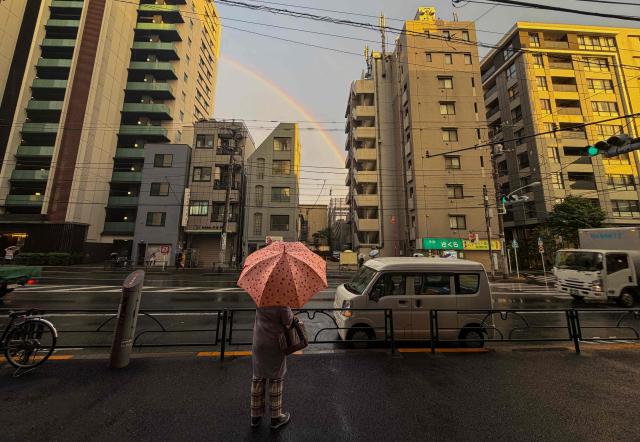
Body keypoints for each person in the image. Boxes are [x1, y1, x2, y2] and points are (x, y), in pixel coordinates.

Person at [251, 306, 293, 430]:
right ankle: (276, 418)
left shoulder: (261, 299)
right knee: (276, 378)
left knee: (258, 376)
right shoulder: (282, 303)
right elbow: (288, 321)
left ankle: (255, 416)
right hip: (275, 343)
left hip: (259, 341)